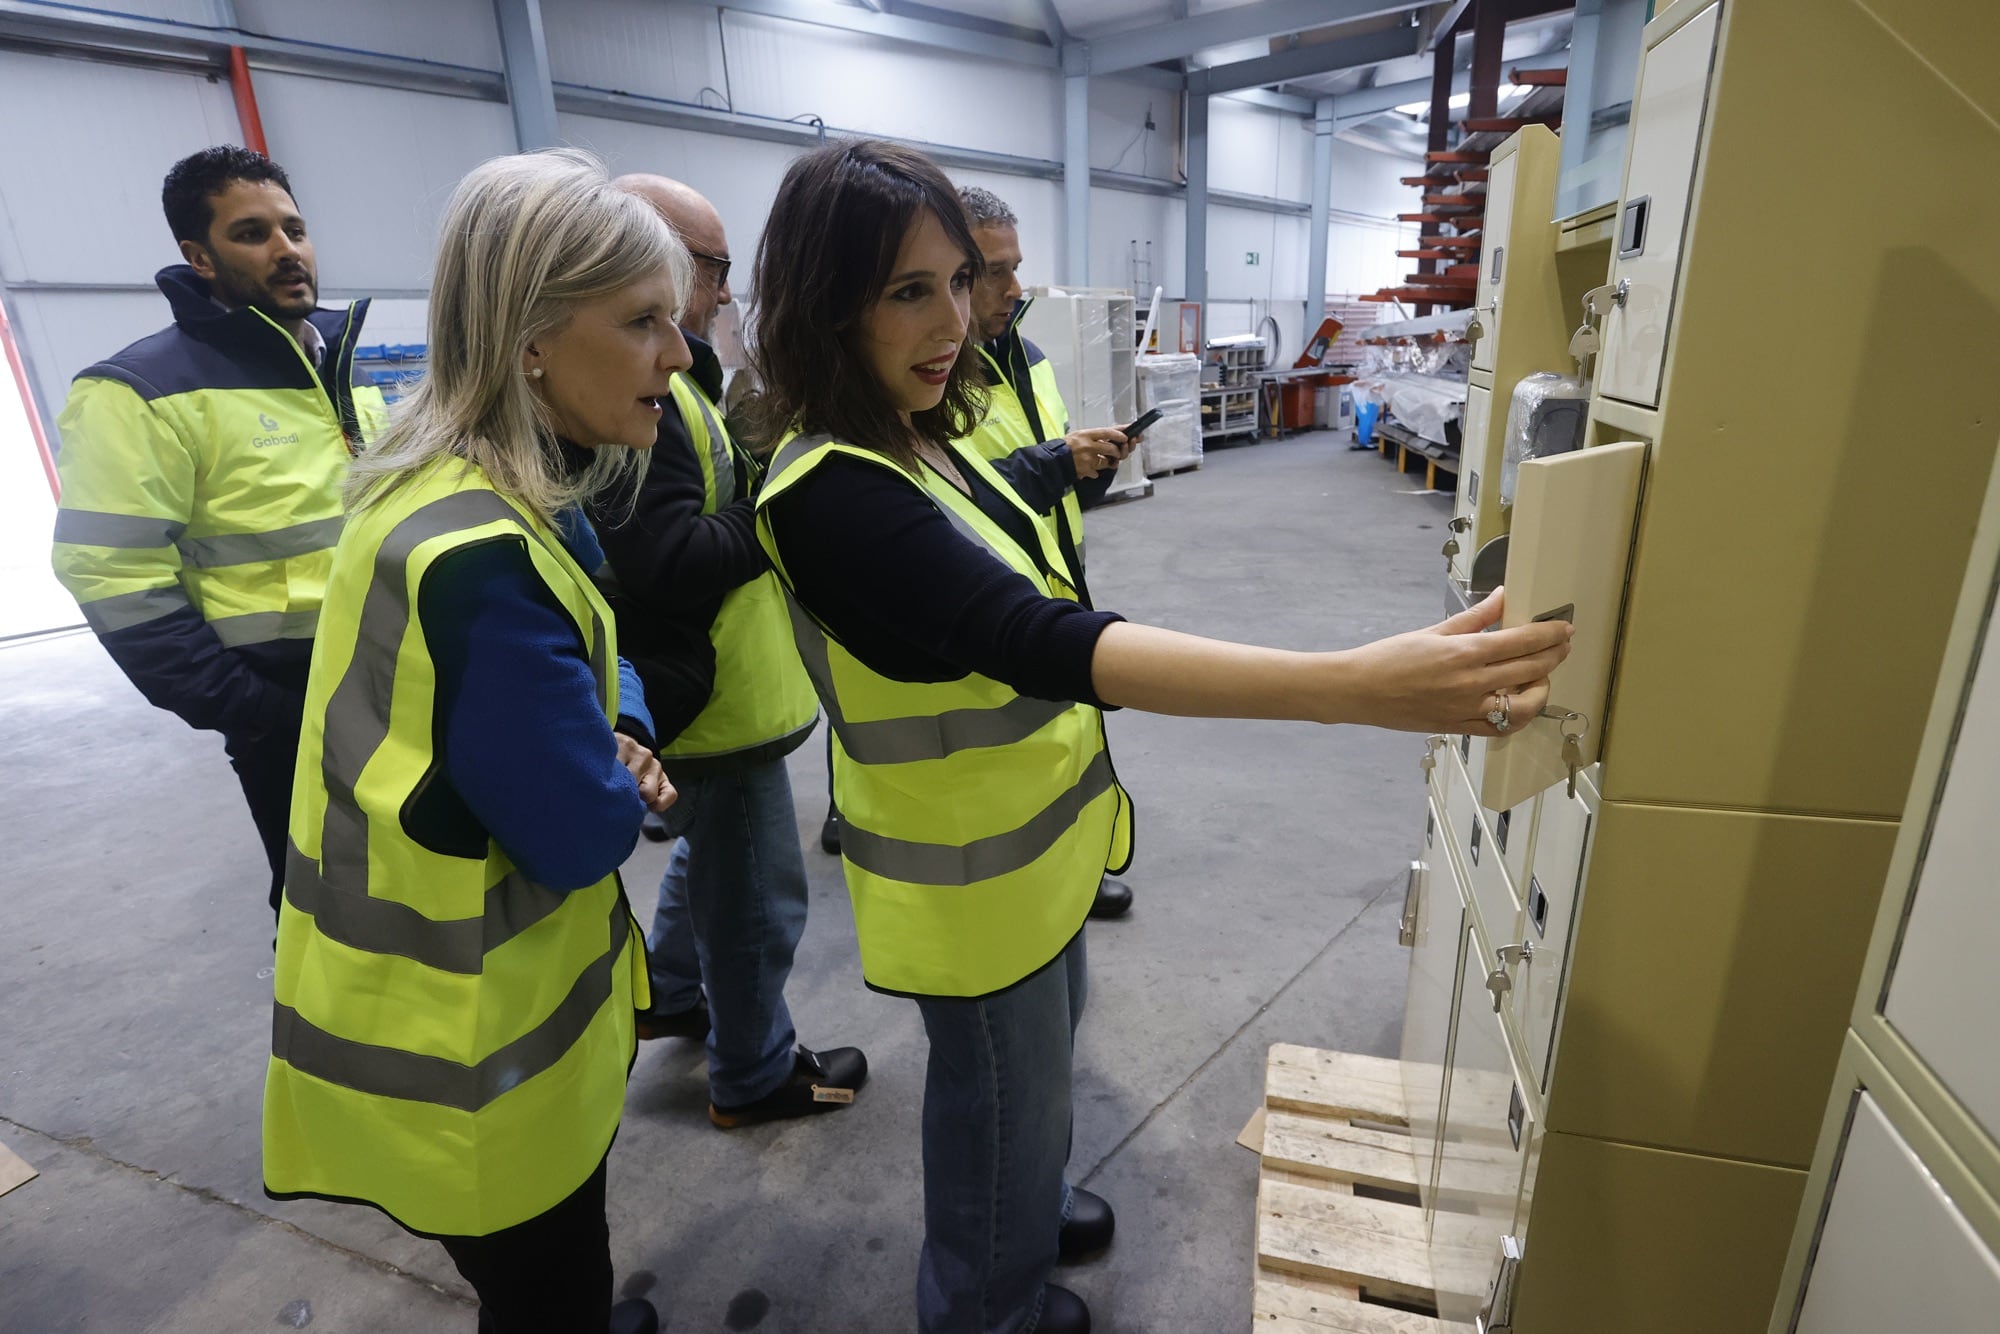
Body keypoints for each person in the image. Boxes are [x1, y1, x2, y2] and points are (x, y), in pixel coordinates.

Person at [747, 139, 1572, 1334]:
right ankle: (988, 1296)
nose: (955, 319)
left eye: (960, 281)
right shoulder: (829, 489)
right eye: (908, 291)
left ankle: (1019, 1210)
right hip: (968, 887)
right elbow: (1033, 634)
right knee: (992, 1095)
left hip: (1033, 854)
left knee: (1032, 1090)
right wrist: (1349, 683)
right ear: (829, 309)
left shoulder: (915, 425)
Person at [262, 148, 689, 1334]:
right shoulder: (486, 558)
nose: (681, 354)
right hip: (478, 1044)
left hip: (398, 1002)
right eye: (645, 319)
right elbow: (581, 825)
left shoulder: (438, 488)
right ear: (532, 337)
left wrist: (620, 723)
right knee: (549, 1292)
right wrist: (617, 768)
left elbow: (597, 655)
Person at [589, 173, 866, 1126]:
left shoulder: (685, 388)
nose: (717, 294)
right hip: (716, 709)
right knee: (757, 903)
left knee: (714, 865)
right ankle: (754, 1072)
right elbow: (668, 561)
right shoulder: (647, 407)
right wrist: (779, 508)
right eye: (710, 269)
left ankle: (670, 995)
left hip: (724, 696)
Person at [50, 146, 388, 917]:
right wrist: (255, 710)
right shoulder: (139, 392)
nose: (287, 249)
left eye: (294, 228)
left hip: (391, 680)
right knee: (326, 913)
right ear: (197, 256)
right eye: (252, 233)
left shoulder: (336, 366)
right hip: (287, 704)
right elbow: (111, 576)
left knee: (416, 901)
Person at [958, 183, 1140, 921]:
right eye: (992, 270)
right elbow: (940, 505)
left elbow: (1047, 477)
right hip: (984, 608)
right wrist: (1050, 464)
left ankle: (1076, 859)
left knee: (1066, 736)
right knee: (1009, 755)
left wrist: (1089, 467)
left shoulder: (1024, 356)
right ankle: (1037, 875)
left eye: (1016, 266)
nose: (1014, 287)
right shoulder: (929, 381)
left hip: (1054, 584)